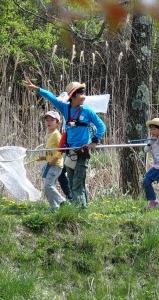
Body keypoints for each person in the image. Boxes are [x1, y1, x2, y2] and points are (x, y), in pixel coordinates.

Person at [25, 80, 106, 208]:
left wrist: (94, 141)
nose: (84, 96)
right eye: (80, 93)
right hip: (69, 152)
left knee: (78, 182)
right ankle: (83, 208)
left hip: (82, 152)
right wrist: (37, 89)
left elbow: (101, 126)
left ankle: (78, 210)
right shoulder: (65, 109)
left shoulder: (87, 111)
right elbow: (51, 97)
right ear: (73, 96)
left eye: (84, 93)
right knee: (73, 182)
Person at [37, 110, 67, 211]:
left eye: (52, 120)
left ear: (58, 123)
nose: (49, 122)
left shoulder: (56, 134)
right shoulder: (49, 134)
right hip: (50, 164)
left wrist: (54, 159)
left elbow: (62, 149)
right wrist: (45, 157)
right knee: (49, 187)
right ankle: (54, 208)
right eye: (46, 120)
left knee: (48, 186)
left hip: (56, 165)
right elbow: (52, 151)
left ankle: (62, 202)